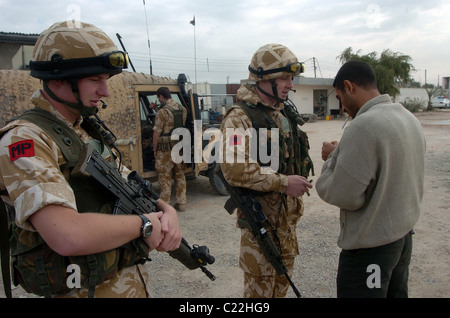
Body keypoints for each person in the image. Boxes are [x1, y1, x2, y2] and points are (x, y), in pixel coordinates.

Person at [0, 21, 182, 298]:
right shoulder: (26, 140)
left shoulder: (82, 130)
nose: (105, 91)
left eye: (105, 81)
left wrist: (166, 210)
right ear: (60, 78)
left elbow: (124, 182)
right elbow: (67, 234)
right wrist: (145, 225)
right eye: (95, 80)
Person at [316, 60, 426, 298]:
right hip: (401, 240)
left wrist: (332, 160)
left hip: (371, 250)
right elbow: (386, 166)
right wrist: (342, 154)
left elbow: (343, 194)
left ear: (349, 86)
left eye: (339, 96)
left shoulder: (363, 126)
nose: (341, 106)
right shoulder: (406, 117)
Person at [220, 43, 313, 298]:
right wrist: (283, 183)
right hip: (261, 228)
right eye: (284, 77)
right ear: (263, 78)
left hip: (287, 227)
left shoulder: (283, 114)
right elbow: (234, 169)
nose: (290, 84)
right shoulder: (239, 117)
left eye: (291, 77)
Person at [152, 87, 188, 212]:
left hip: (166, 149)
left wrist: (155, 148)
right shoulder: (182, 109)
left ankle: (165, 205)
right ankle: (181, 202)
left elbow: (157, 132)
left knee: (165, 176)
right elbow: (172, 123)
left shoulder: (163, 112)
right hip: (179, 146)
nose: (159, 100)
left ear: (162, 97)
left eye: (159, 98)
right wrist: (156, 109)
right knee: (180, 174)